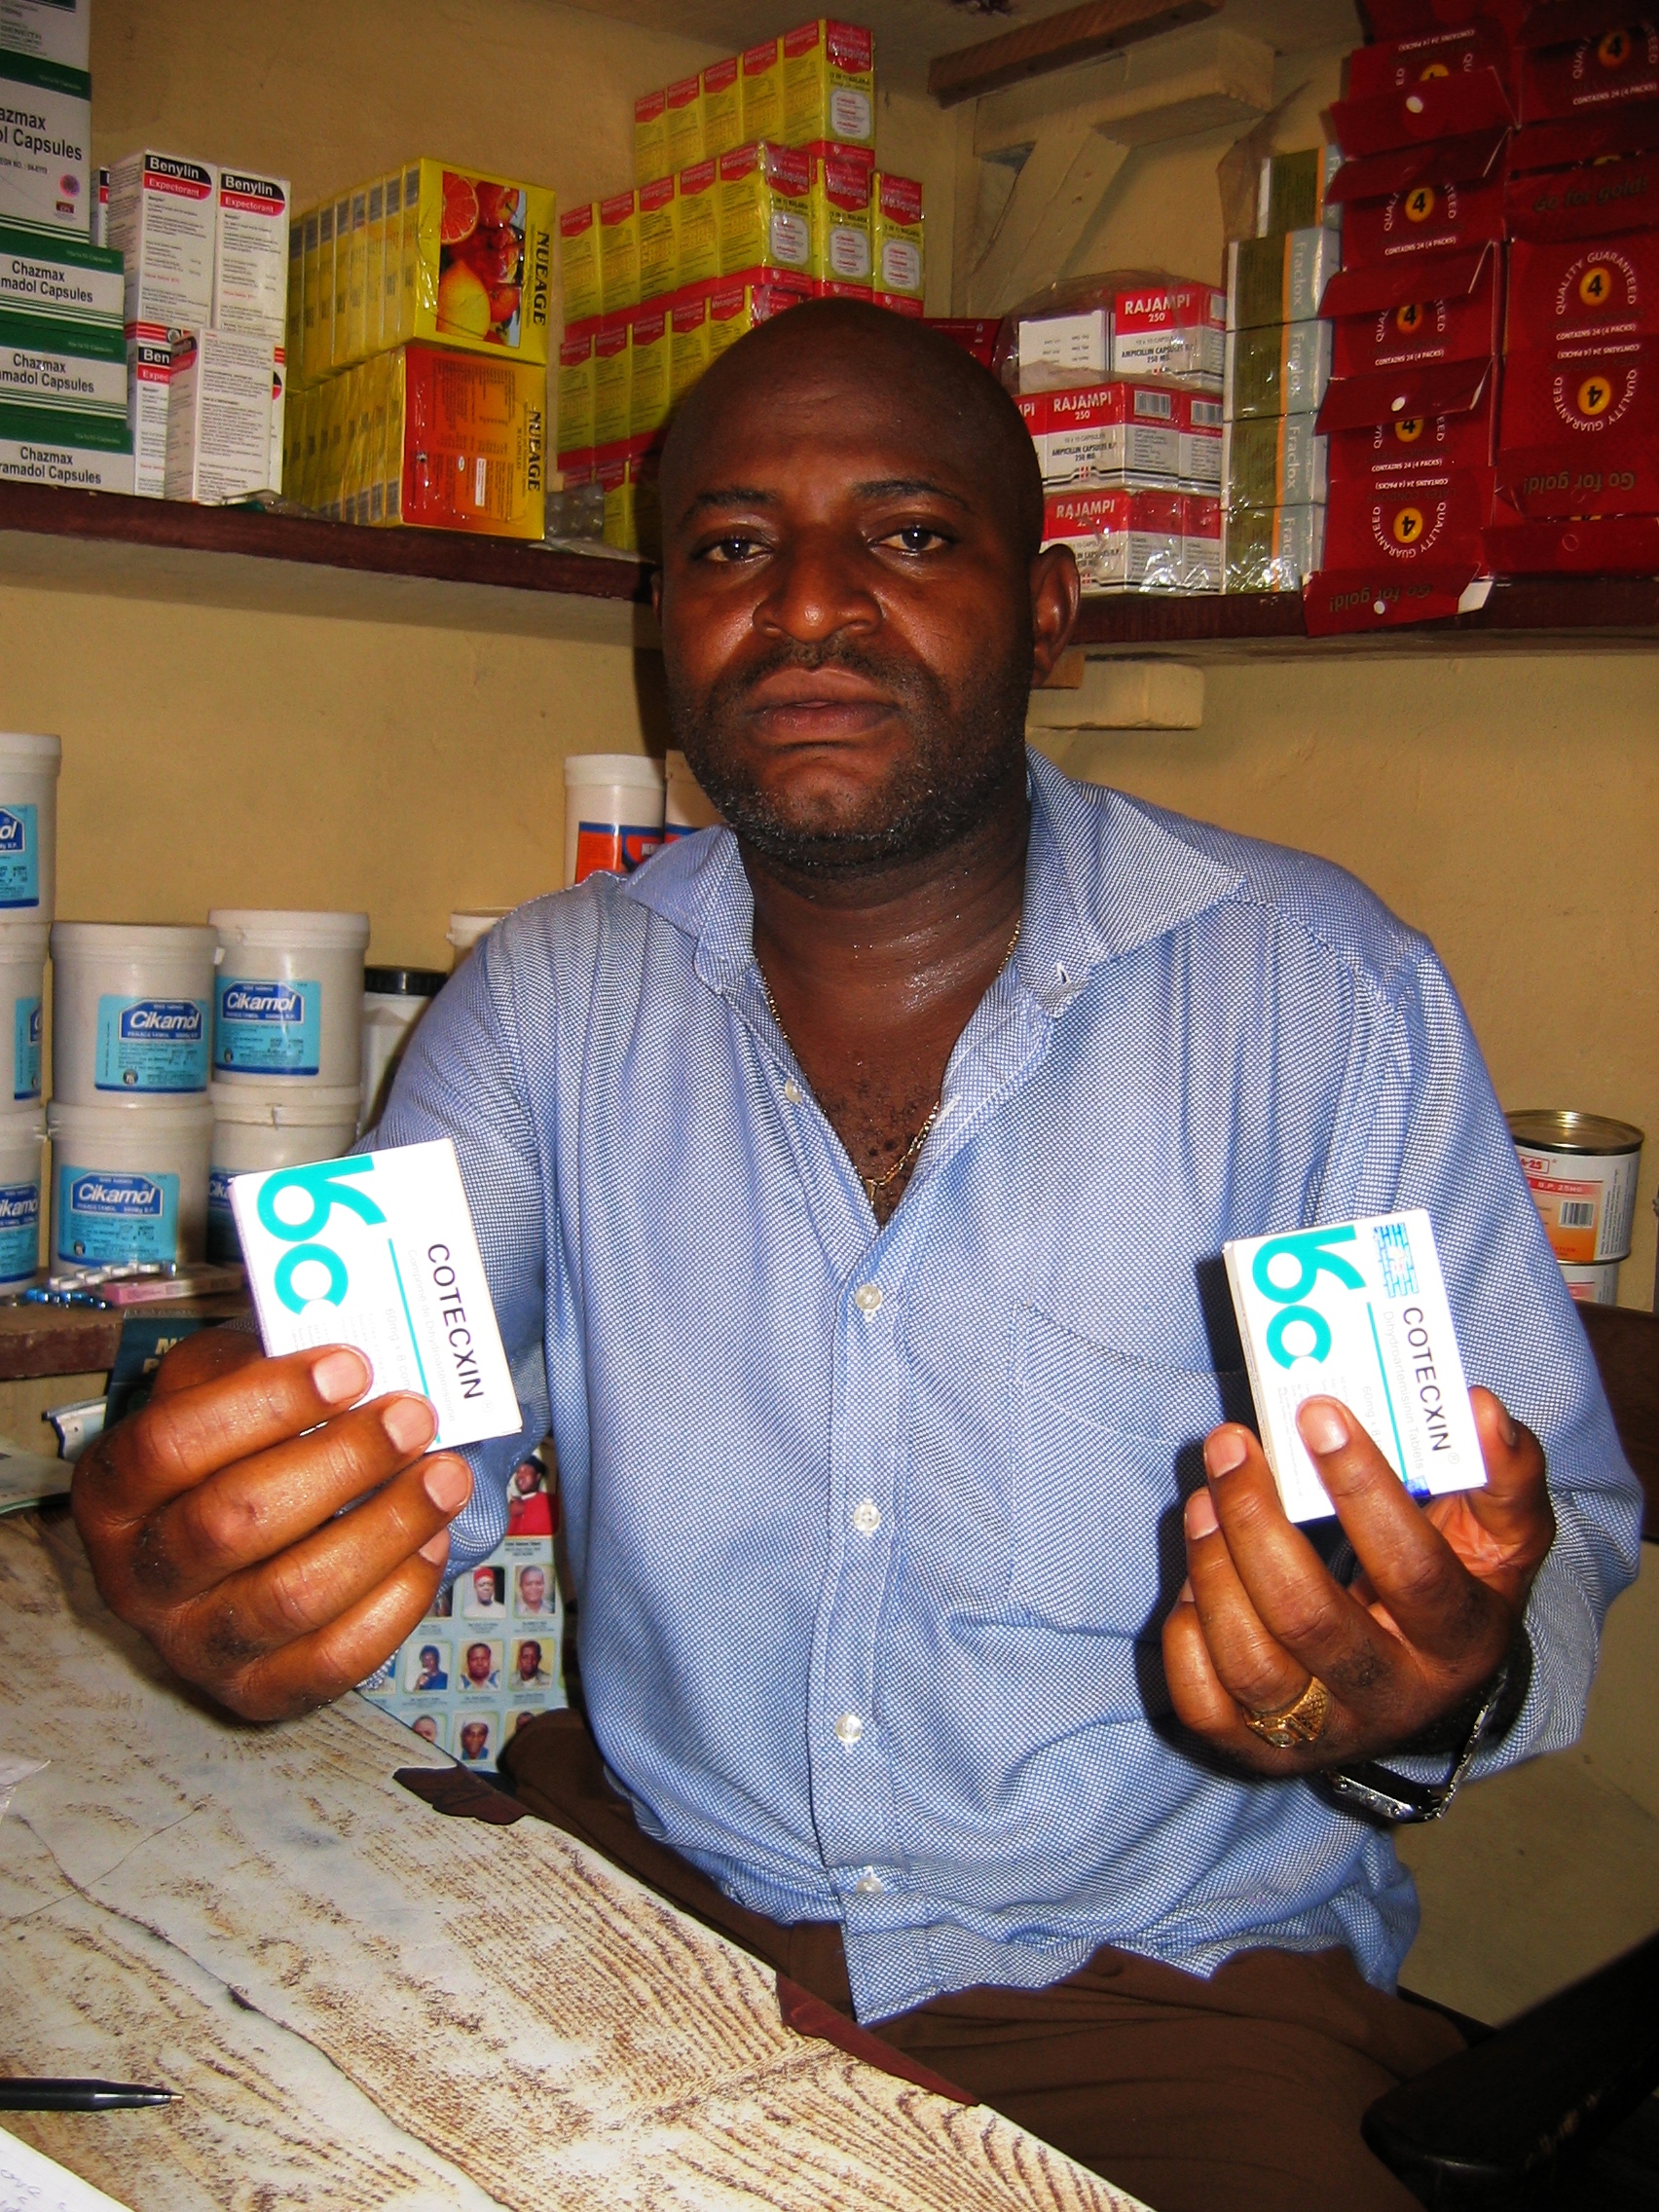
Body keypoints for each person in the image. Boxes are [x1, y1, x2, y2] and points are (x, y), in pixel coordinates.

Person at [69, 304, 1641, 2212]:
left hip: (1160, 1991)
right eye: (733, 548)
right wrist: (221, 1529)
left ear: (1050, 612)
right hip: (647, 1895)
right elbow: (373, 1423)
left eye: (907, 534)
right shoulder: (548, 1003)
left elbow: (1539, 1533)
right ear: (669, 632)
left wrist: (1441, 1653)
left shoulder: (1318, 995)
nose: (807, 606)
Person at [505, 1456, 554, 1537]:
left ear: (538, 1476)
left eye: (525, 1471)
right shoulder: (510, 1506)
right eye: (518, 1472)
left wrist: (525, 1508)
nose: (520, 1475)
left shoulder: (551, 1502)